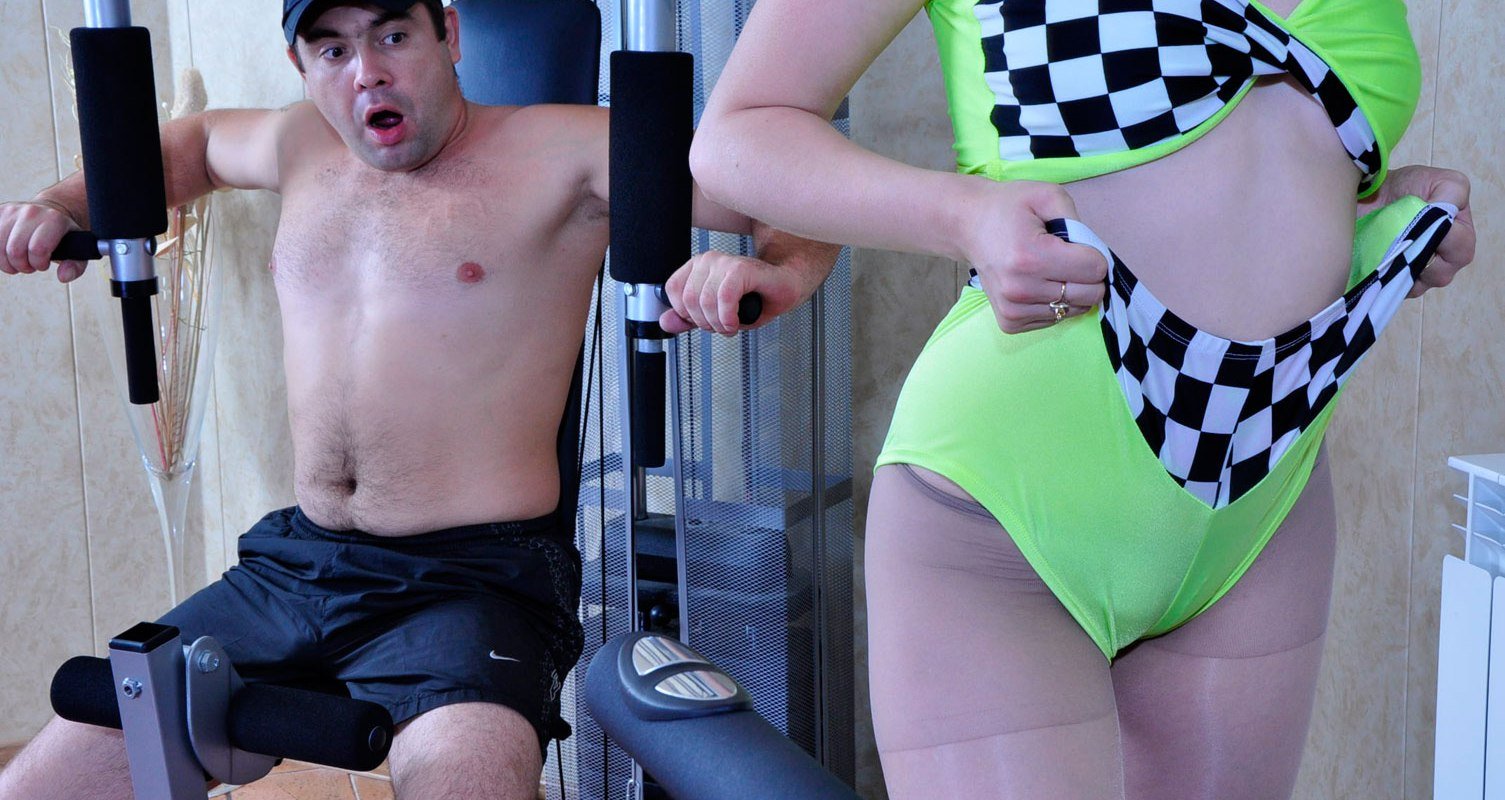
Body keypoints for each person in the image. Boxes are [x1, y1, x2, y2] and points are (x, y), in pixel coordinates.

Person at [0, 1, 837, 798]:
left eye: (393, 35)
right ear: (300, 66)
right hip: (295, 565)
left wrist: (777, 271)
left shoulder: (569, 149)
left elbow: (792, 188)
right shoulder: (298, 141)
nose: (366, 71)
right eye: (333, 49)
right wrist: (64, 203)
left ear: (450, 36)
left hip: (475, 582)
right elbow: (196, 145)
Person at [663, 0, 1478, 798]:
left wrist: (1369, 204)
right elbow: (739, 137)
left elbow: (1257, 152)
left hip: (1267, 491)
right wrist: (963, 215)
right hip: (1016, 489)